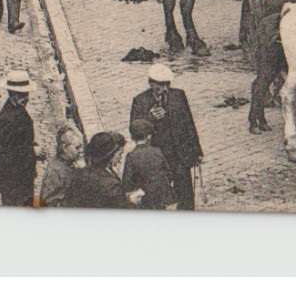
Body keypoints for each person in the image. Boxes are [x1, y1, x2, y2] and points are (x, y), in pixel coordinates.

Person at [129, 63, 203, 209]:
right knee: (156, 196)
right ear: (151, 83)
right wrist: (149, 118)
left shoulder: (178, 95)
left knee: (186, 194)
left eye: (166, 85)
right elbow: (134, 130)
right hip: (158, 156)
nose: (164, 89)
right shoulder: (140, 101)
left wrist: (197, 150)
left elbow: (189, 123)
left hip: (179, 154)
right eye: (159, 85)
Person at [0, 69, 37, 207]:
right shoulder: (7, 120)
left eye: (27, 94)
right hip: (14, 183)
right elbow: (10, 154)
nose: (27, 98)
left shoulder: (16, 111)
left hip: (20, 181)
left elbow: (20, 140)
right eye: (23, 95)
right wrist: (34, 151)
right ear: (13, 95)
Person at [69, 131, 132, 208]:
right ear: (111, 156)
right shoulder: (112, 185)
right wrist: (131, 201)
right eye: (119, 154)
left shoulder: (79, 174)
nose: (120, 158)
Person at [122, 118, 173, 209]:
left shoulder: (131, 156)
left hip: (144, 199)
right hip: (161, 197)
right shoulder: (157, 151)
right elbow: (168, 173)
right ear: (149, 136)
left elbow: (127, 182)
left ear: (132, 137)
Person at [37, 125, 84, 208]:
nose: (81, 150)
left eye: (81, 146)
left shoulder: (69, 163)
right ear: (65, 148)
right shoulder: (54, 172)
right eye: (77, 148)